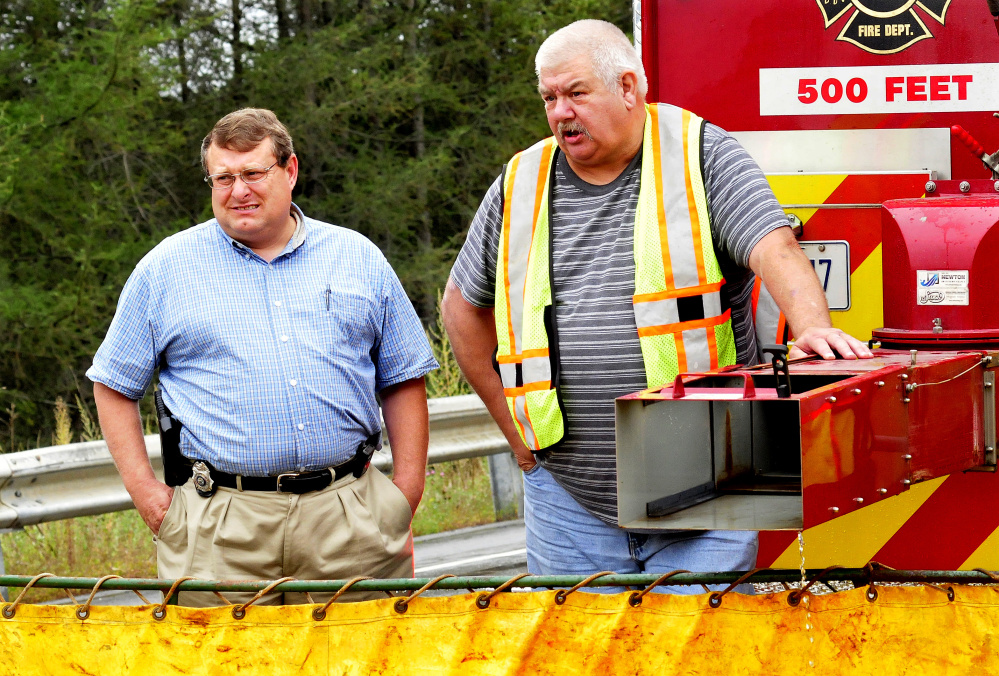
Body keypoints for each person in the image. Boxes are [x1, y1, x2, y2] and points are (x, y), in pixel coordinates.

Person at [441, 20, 872, 591]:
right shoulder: (521, 180)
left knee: (693, 655)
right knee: (583, 655)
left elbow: (774, 246)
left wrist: (814, 326)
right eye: (549, 97)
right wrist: (514, 431)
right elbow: (460, 307)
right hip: (567, 496)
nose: (560, 112)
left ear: (627, 87)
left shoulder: (702, 155)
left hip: (708, 481)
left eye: (575, 93)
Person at [88, 108, 438, 605]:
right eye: (223, 178)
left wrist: (405, 492)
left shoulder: (357, 257)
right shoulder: (164, 270)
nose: (238, 191)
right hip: (219, 529)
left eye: (253, 173)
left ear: (290, 170)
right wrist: (150, 498)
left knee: (365, 658)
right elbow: (113, 385)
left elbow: (403, 378)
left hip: (351, 518)